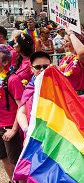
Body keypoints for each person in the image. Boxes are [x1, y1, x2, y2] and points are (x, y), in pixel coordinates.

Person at [0, 45, 23, 183]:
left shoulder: (13, 80)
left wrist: (14, 129)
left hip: (9, 127)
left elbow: (21, 106)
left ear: (5, 62)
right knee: (4, 158)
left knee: (16, 162)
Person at [17, 52, 51, 133]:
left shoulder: (59, 85)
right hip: (34, 134)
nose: (42, 69)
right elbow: (21, 113)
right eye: (38, 67)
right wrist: (27, 130)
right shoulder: (30, 88)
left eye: (46, 66)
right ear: (32, 69)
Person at [58, 30, 84, 94]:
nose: (64, 43)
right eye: (64, 41)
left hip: (81, 96)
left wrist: (71, 33)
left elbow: (82, 52)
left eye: (66, 41)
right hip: (67, 96)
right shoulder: (66, 58)